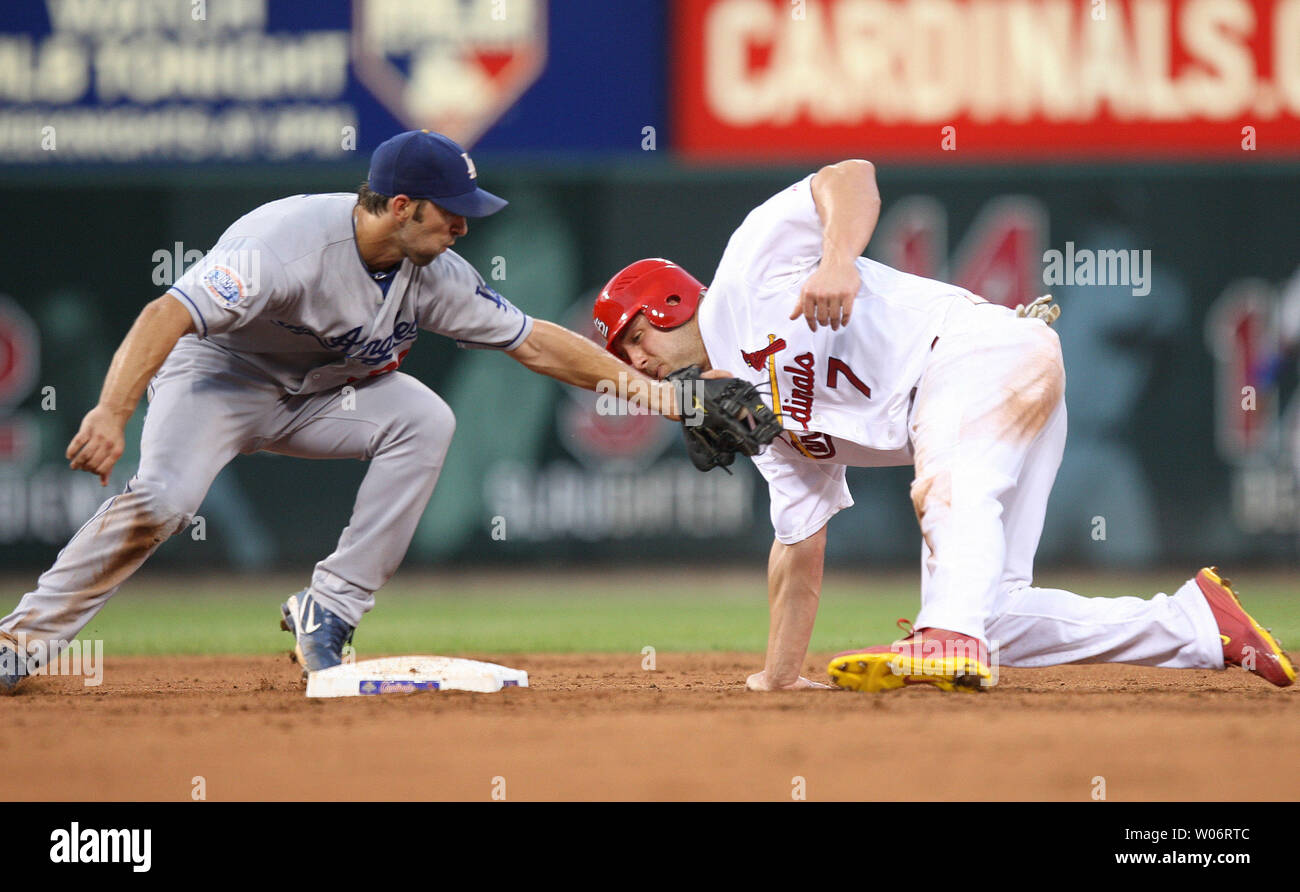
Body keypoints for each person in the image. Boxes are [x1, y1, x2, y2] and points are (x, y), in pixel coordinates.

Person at [0, 130, 675, 692]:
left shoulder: (436, 273)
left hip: (322, 397)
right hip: (219, 383)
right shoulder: (286, 245)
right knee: (164, 503)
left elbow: (535, 342)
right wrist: (111, 413)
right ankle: (19, 641)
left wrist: (664, 397)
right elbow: (166, 312)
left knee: (426, 419)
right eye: (450, 211)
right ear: (402, 206)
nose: (464, 226)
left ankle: (332, 606)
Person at [591, 160, 1294, 693]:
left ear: (670, 303)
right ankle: (1198, 624)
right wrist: (778, 679)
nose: (638, 366)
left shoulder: (746, 273)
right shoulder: (761, 425)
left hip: (976, 354)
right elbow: (797, 553)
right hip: (986, 394)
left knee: (947, 488)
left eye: (631, 342)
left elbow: (850, 176)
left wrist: (837, 259)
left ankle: (946, 633)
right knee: (1001, 617)